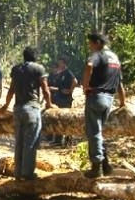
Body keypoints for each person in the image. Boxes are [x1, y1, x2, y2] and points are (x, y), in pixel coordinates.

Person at [0, 47, 56, 180]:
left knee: (19, 142)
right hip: (32, 108)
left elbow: (11, 90)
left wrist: (5, 105)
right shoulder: (38, 68)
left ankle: (18, 173)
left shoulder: (16, 69)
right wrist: (49, 104)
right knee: (31, 142)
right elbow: (46, 90)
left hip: (17, 109)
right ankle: (28, 174)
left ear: (24, 56)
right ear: (35, 56)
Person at [81, 32, 126, 178]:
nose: (90, 47)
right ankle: (106, 165)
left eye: (91, 44)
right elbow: (119, 82)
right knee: (99, 132)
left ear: (97, 43)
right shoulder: (116, 59)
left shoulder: (98, 54)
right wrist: (123, 102)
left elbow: (89, 65)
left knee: (93, 132)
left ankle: (97, 167)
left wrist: (85, 86)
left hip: (96, 96)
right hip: (109, 99)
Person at [47, 56, 78, 145]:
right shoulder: (60, 73)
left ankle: (68, 140)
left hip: (65, 100)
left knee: (65, 119)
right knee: (58, 119)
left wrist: (70, 91)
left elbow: (75, 81)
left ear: (64, 63)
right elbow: (59, 87)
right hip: (59, 99)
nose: (59, 64)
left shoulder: (68, 72)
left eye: (60, 62)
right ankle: (58, 140)